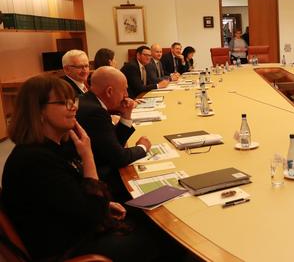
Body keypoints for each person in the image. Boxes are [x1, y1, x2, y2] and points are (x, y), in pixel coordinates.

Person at [1, 75, 177, 261]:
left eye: (73, 100)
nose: (74, 107)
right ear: (38, 110)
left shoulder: (50, 147)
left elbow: (67, 199)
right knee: (163, 234)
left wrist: (105, 205)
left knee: (155, 216)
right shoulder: (35, 160)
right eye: (63, 102)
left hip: (73, 229)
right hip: (68, 247)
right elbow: (92, 214)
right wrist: (88, 155)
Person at [77, 66, 151, 196]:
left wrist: (126, 115)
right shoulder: (95, 112)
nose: (127, 95)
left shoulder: (89, 101)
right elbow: (119, 157)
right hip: (101, 180)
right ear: (109, 91)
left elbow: (113, 144)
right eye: (124, 90)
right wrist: (143, 147)